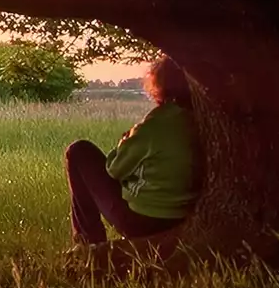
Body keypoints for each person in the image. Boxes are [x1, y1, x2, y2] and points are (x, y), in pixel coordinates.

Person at [64, 55, 199, 245]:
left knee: (78, 151)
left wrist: (124, 141)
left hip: (140, 220)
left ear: (159, 83)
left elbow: (115, 169)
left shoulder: (155, 125)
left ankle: (87, 243)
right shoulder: (200, 122)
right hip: (181, 216)